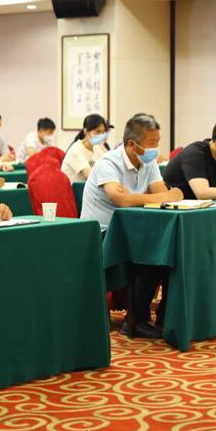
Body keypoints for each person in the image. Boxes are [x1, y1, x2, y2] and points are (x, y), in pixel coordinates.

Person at [80, 113, 184, 339]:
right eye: (151, 143)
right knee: (151, 251)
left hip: (133, 230)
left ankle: (163, 316)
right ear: (131, 145)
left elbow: (160, 195)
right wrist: (161, 197)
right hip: (102, 233)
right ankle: (136, 321)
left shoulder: (148, 162)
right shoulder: (108, 163)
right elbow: (122, 200)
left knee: (168, 245)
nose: (155, 149)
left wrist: (153, 197)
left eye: (157, 142)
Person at [61, 114, 110, 182]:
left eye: (103, 132)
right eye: (98, 132)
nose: (101, 135)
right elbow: (91, 177)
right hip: (75, 188)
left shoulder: (97, 147)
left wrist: (102, 146)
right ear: (86, 132)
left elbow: (109, 165)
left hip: (89, 186)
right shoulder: (76, 150)